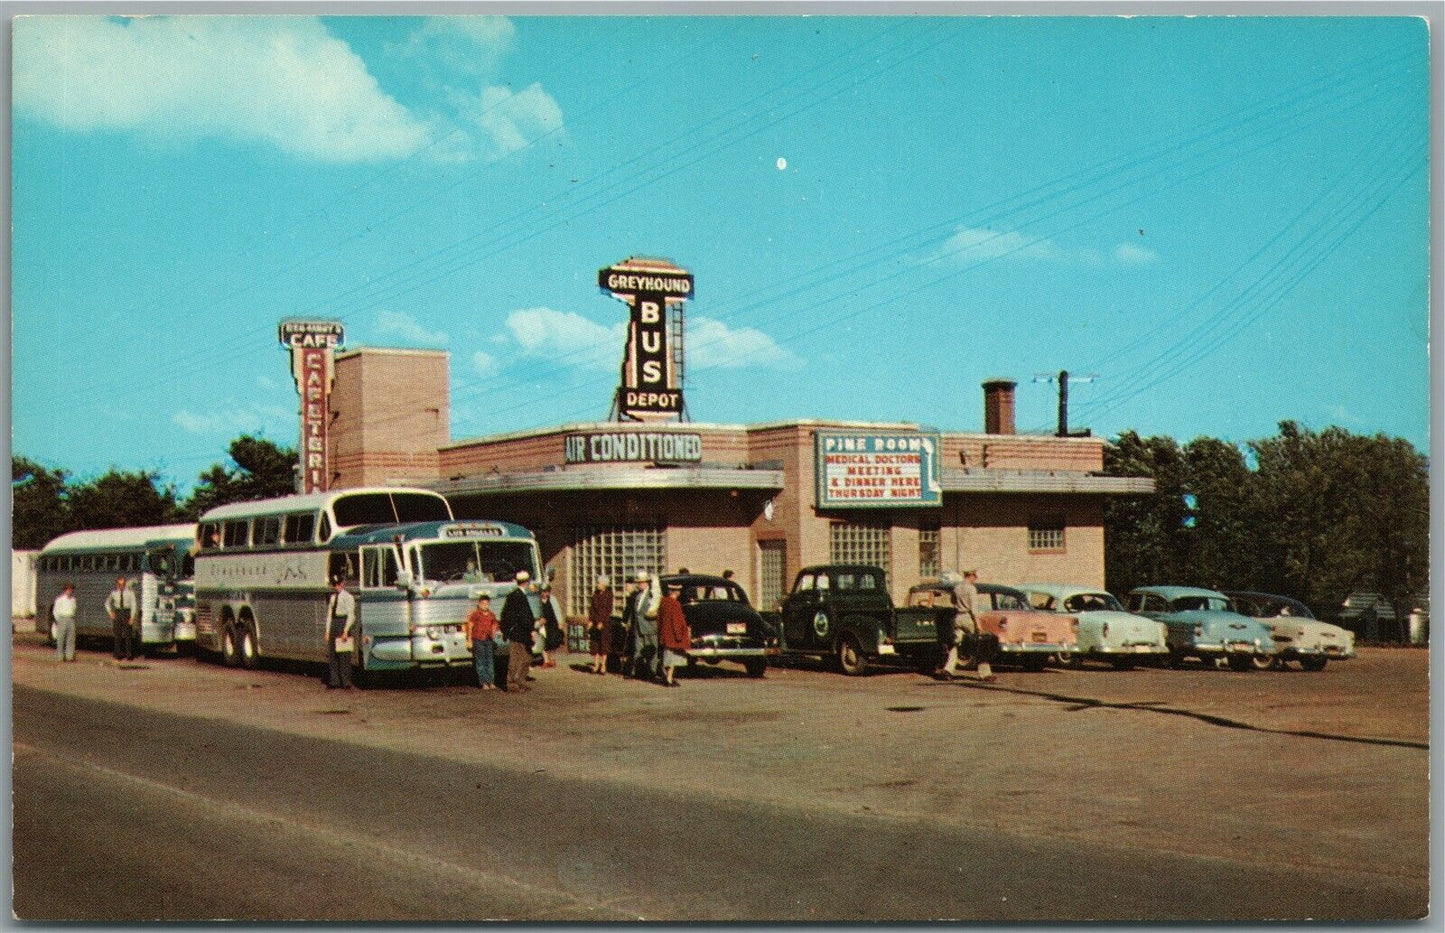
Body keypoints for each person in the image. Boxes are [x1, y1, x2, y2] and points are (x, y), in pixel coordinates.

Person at [938, 569, 994, 682]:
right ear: (971, 575)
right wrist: (979, 626)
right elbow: (974, 609)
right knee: (979, 645)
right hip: (968, 618)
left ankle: (948, 670)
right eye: (975, 576)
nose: (976, 578)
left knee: (956, 644)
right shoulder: (971, 589)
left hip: (958, 618)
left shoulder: (957, 588)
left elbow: (953, 601)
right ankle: (985, 673)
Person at [502, 570, 537, 692]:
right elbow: (524, 616)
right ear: (526, 582)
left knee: (526, 657)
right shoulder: (519, 596)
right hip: (520, 633)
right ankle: (513, 683)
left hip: (517, 632)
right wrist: (532, 630)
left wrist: (505, 631)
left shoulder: (512, 595)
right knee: (518, 658)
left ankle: (519, 681)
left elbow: (504, 615)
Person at [625, 571, 661, 681]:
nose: (640, 584)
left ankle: (652, 672)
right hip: (638, 627)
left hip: (649, 626)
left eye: (642, 582)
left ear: (647, 583)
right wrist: (630, 623)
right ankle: (638, 672)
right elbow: (634, 612)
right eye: (639, 582)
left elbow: (656, 608)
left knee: (651, 650)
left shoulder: (652, 594)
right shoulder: (637, 595)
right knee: (638, 650)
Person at [657, 580, 691, 687]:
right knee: (672, 658)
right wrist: (680, 634)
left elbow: (659, 619)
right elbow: (677, 621)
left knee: (666, 657)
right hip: (673, 635)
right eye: (678, 591)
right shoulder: (675, 604)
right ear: (675, 592)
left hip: (665, 633)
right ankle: (669, 678)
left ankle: (667, 676)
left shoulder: (663, 602)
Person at [326, 576, 356, 689]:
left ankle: (346, 682)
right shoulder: (333, 598)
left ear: (342, 584)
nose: (336, 587)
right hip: (334, 623)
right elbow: (329, 615)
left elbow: (351, 615)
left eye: (338, 584)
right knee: (333, 654)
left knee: (344, 655)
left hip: (343, 623)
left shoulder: (348, 597)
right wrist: (328, 631)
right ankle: (334, 681)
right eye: (335, 585)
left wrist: (346, 631)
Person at [467, 594, 500, 689]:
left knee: (489, 661)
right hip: (478, 639)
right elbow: (470, 626)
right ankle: (483, 682)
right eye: (483, 603)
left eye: (486, 604)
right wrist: (469, 640)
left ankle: (491, 681)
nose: (485, 605)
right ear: (479, 604)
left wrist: (493, 637)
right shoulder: (475, 614)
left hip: (488, 640)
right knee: (480, 661)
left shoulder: (491, 615)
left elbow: (494, 626)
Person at [106, 576, 138, 661]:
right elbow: (107, 603)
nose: (121, 586)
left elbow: (133, 605)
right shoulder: (114, 593)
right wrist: (110, 612)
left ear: (125, 584)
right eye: (119, 584)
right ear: (117, 584)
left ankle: (129, 655)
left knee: (128, 635)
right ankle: (117, 654)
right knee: (117, 635)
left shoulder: (130, 593)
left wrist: (132, 617)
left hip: (126, 612)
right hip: (118, 612)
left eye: (123, 584)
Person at [587, 575, 613, 675]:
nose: (597, 585)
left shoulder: (609, 594)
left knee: (603, 644)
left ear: (604, 584)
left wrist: (601, 622)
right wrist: (591, 620)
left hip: (604, 623)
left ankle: (603, 665)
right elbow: (592, 608)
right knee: (595, 644)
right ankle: (596, 664)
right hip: (595, 622)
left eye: (599, 583)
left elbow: (608, 610)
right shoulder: (595, 594)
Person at [539, 583, 564, 668]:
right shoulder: (538, 600)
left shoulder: (552, 599)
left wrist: (560, 622)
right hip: (542, 624)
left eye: (546, 592)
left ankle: (552, 658)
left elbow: (557, 611)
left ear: (549, 592)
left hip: (553, 623)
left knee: (553, 641)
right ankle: (546, 660)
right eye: (542, 592)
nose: (544, 594)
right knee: (543, 641)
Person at [52, 583, 78, 662]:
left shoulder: (73, 600)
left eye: (71, 590)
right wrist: (58, 620)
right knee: (61, 638)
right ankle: (60, 656)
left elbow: (74, 609)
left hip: (70, 618)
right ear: (65, 590)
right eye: (68, 590)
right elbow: (55, 610)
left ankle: (69, 656)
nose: (70, 591)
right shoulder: (59, 600)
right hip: (62, 618)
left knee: (70, 638)